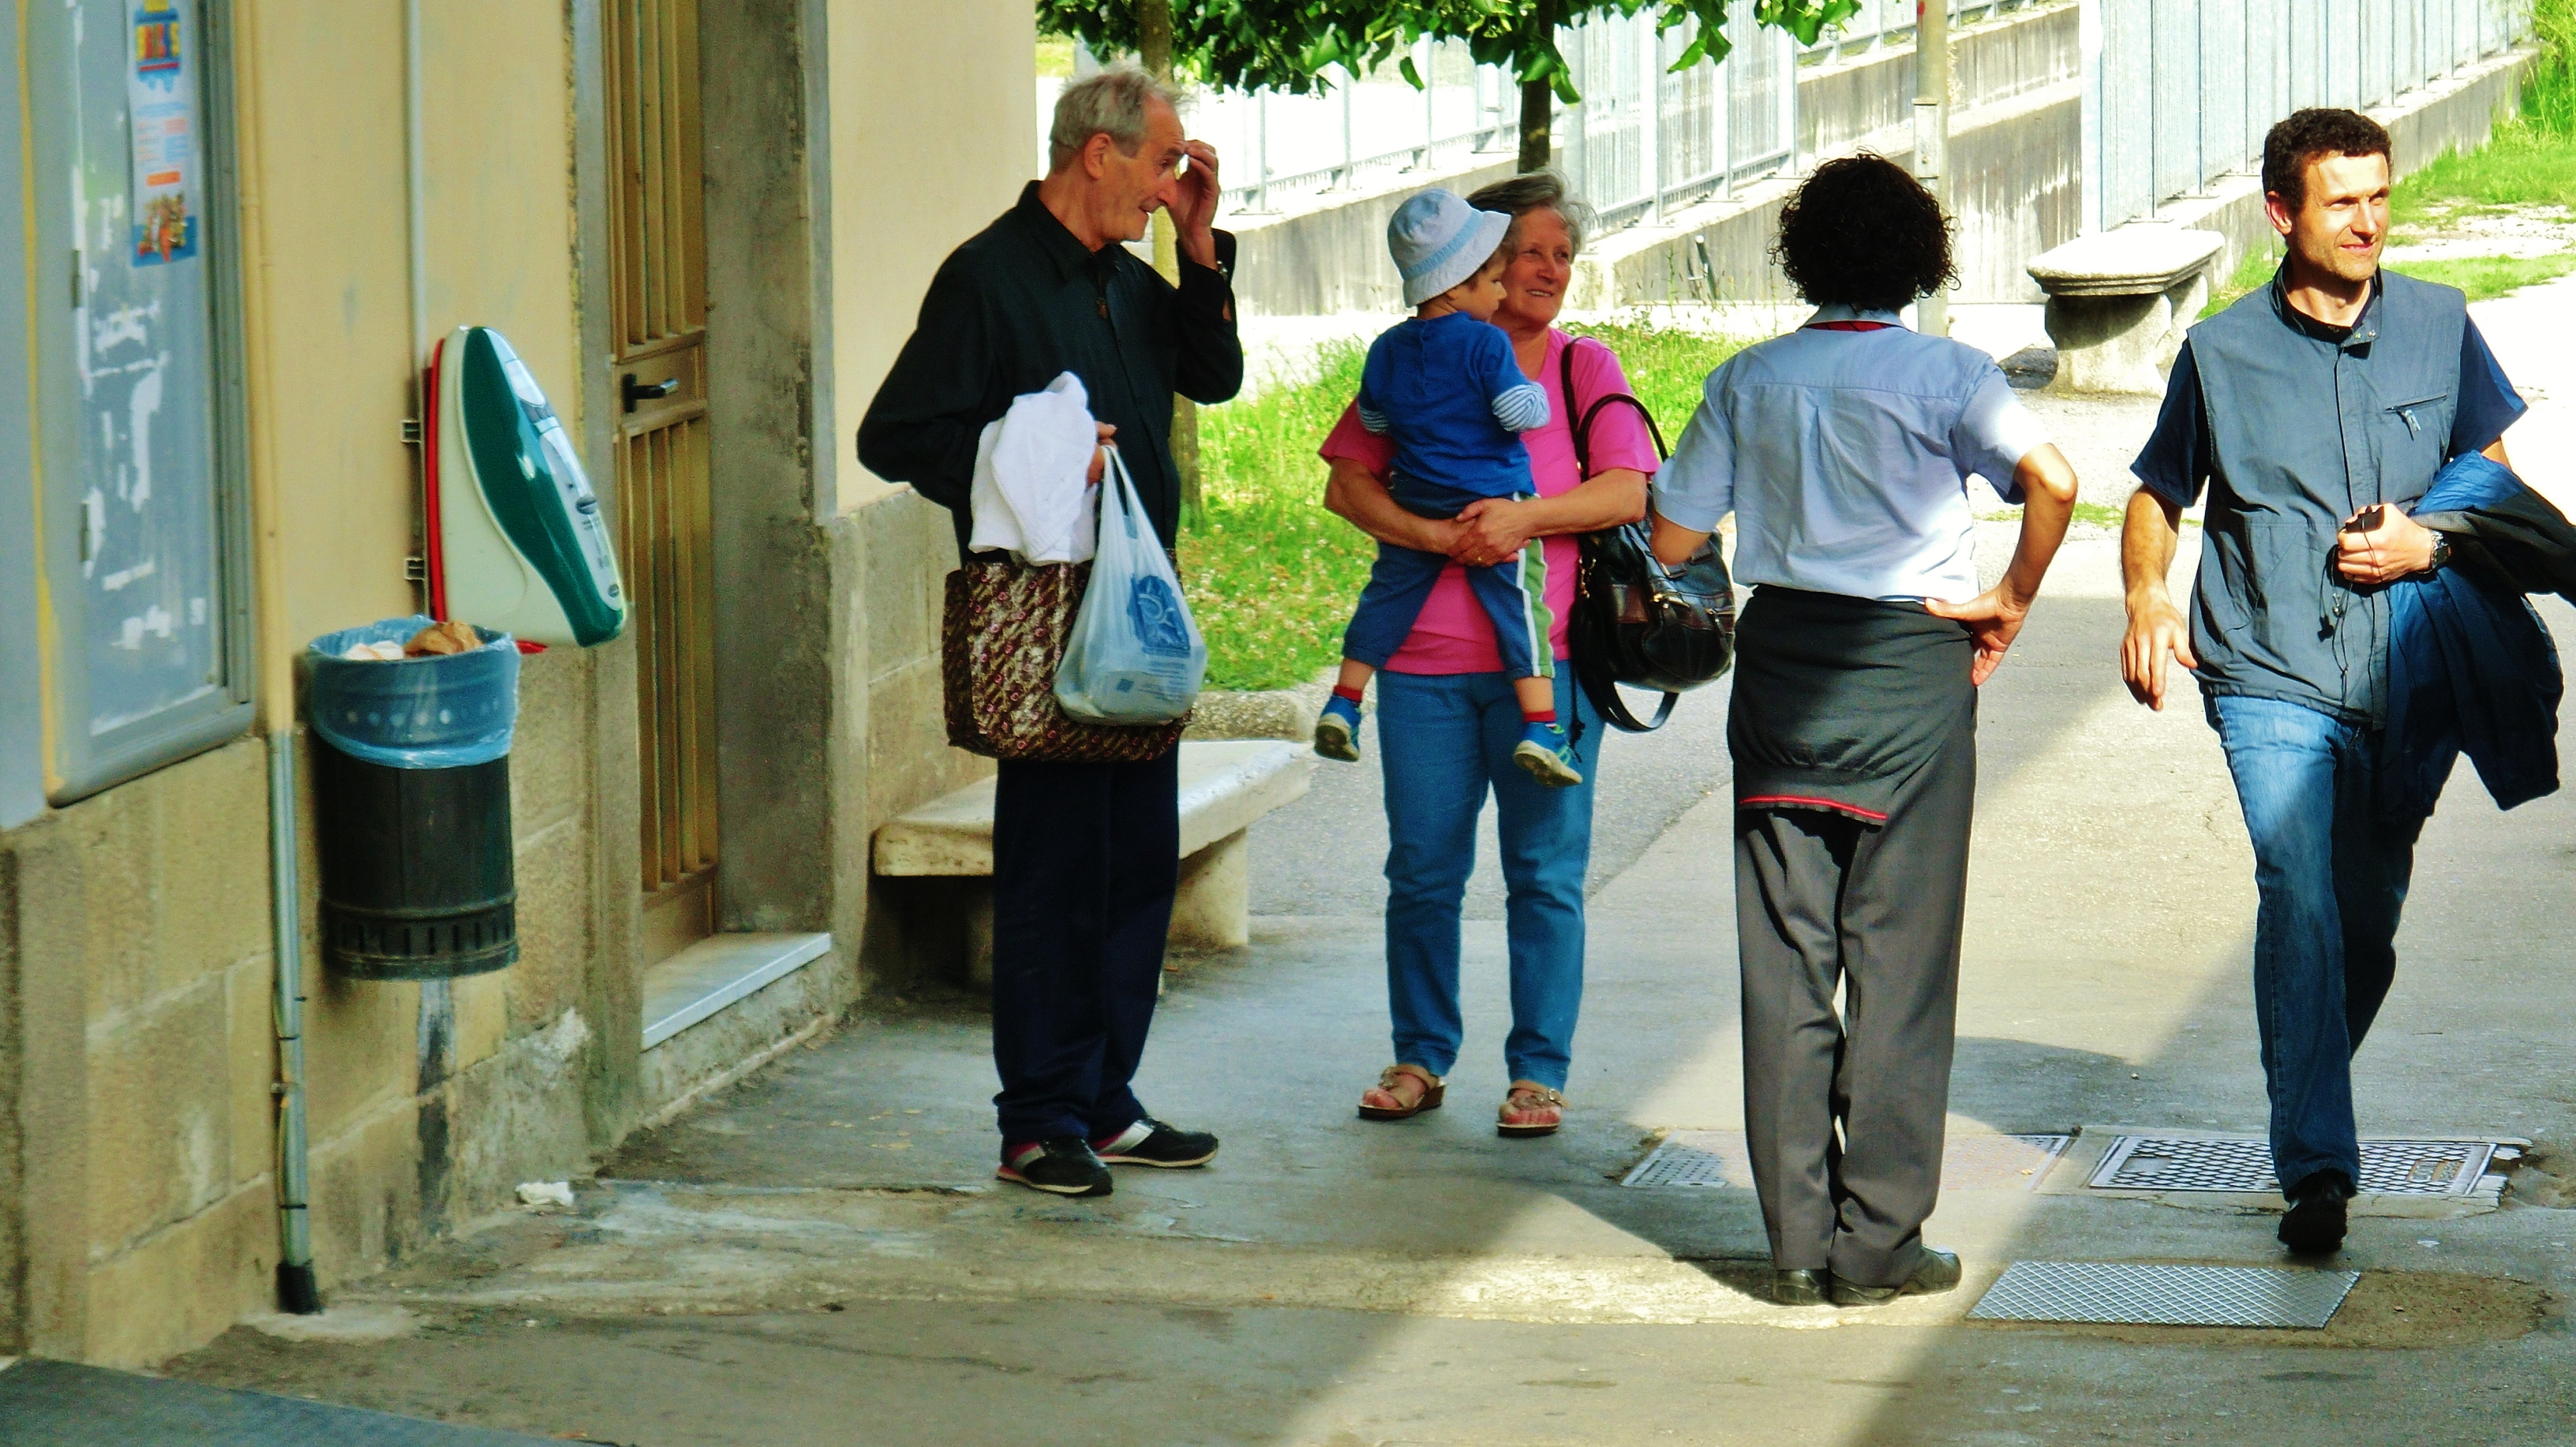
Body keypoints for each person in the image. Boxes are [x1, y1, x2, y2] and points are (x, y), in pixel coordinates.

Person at [1649, 155, 2080, 1307]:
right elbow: (2053, 480)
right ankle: (1879, 1244)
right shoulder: (1951, 377)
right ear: (1921, 260)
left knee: (1786, 961)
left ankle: (1794, 1246)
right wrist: (2011, 596)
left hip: (1784, 673)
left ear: (1805, 259)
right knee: (1900, 970)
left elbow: (1675, 540)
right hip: (1911, 675)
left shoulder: (1747, 380)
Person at [2119, 108, 2525, 1256]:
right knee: (2296, 889)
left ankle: (2305, 1075)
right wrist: (2148, 596)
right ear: (2281, 213)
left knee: (2365, 924)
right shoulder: (2221, 354)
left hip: (2409, 676)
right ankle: (2318, 1171)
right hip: (2266, 669)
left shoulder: (2441, 327)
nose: (2367, 221)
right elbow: (2156, 494)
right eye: (2341, 200)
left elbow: (2495, 490)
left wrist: (2429, 543)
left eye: (2379, 196)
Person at [856, 69, 1245, 1198]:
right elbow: (896, 435)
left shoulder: (1128, 278)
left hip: (1135, 609)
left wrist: (1201, 250)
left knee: (1135, 865)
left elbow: (1214, 376)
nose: (1170, 184)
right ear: (1097, 153)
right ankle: (1037, 1121)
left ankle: (1105, 1103)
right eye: (1163, 163)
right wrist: (1032, 462)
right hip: (1044, 618)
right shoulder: (988, 277)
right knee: (1055, 872)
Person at [1320, 172, 1655, 1139]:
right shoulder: (1415, 357)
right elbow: (1348, 484)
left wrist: (1522, 520)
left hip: (1547, 667)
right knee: (1422, 871)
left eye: (1562, 255)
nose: (1547, 271)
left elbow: (1627, 491)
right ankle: (1420, 1057)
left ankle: (1537, 1072)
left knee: (1544, 875)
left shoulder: (1582, 368)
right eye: (1528, 253)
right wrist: (1432, 536)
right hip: (1422, 668)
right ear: (1479, 265)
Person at [1315, 189, 1578, 787]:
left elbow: (1375, 419)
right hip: (1492, 497)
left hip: (1417, 497)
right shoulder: (1486, 342)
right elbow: (1516, 411)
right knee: (1522, 607)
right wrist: (1534, 400)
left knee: (1386, 598)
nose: (1502, 294)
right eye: (1494, 281)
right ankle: (1542, 726)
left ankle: (1344, 701)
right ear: (1457, 287)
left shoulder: (1387, 346)